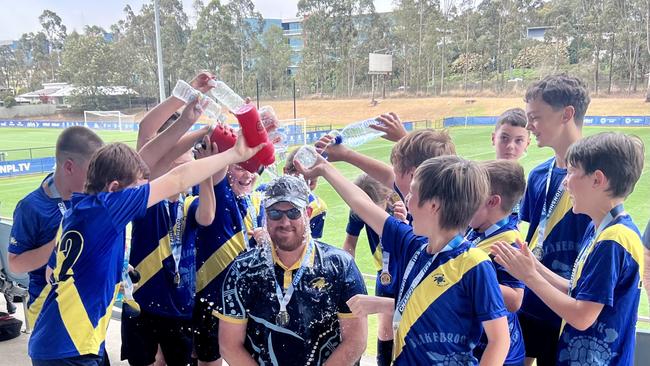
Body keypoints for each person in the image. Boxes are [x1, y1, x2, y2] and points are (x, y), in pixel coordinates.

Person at [27, 102, 265, 365]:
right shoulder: (110, 210)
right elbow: (177, 179)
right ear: (115, 188)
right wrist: (234, 154)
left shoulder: (80, 209)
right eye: (139, 187)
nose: (146, 188)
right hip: (71, 347)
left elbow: (52, 273)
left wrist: (201, 128)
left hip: (58, 339)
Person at [295, 155, 510, 365]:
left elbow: (499, 340)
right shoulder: (412, 245)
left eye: (413, 192)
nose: (406, 199)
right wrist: (324, 168)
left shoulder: (474, 264)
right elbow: (361, 203)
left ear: (433, 206)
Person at [493, 132, 645, 365]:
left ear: (597, 180)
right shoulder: (600, 230)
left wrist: (530, 276)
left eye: (572, 172)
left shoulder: (614, 241)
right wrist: (534, 266)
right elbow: (577, 290)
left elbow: (582, 316)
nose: (565, 182)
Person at [217, 175, 368, 365]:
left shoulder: (340, 266)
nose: (285, 222)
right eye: (275, 214)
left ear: (308, 212)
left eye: (294, 212)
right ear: (265, 216)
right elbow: (229, 345)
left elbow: (355, 340)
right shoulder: (243, 270)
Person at [121, 79, 218, 366]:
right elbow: (146, 132)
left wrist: (206, 173)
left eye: (184, 154)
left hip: (179, 305)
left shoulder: (189, 204)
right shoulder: (145, 196)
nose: (178, 160)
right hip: (141, 302)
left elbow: (208, 217)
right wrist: (184, 96)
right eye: (173, 154)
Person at [516, 74, 592, 366]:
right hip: (529, 303)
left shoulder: (597, 182)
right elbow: (528, 235)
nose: (529, 126)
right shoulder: (538, 176)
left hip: (569, 311)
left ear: (567, 114)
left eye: (535, 117)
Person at [8, 126, 104, 327]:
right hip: (49, 314)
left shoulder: (93, 198)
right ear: (69, 167)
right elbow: (15, 265)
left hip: (89, 311)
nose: (98, 178)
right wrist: (61, 244)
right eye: (93, 170)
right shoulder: (31, 207)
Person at [465, 160, 527, 366]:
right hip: (477, 345)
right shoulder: (476, 228)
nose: (464, 202)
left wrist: (470, 278)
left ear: (492, 202)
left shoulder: (509, 242)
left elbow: (515, 299)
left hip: (500, 356)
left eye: (471, 196)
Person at [342, 174, 405, 366]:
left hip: (407, 273)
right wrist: (347, 273)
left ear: (386, 198)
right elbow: (349, 243)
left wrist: (403, 225)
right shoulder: (359, 210)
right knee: (385, 328)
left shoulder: (403, 209)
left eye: (372, 211)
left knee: (410, 322)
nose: (368, 217)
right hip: (385, 275)